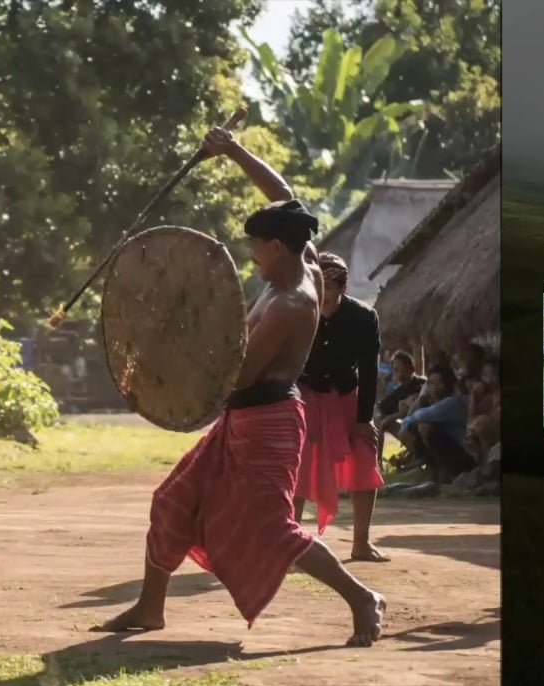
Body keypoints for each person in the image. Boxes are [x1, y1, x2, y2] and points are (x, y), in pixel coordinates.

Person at [93, 128, 385, 647]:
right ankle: (149, 607)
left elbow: (236, 376)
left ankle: (363, 597)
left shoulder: (291, 303)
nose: (250, 255)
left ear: (276, 246)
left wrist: (177, 345)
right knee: (172, 501)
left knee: (275, 530)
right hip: (244, 418)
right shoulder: (305, 264)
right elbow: (284, 197)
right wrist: (233, 151)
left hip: (267, 422)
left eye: (255, 246)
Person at [292, 251, 388, 562]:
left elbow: (369, 371)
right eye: (317, 287)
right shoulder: (299, 311)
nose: (322, 296)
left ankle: (361, 543)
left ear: (341, 289)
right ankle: (288, 542)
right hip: (304, 396)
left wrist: (364, 419)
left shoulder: (363, 318)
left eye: (328, 289)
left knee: (364, 458)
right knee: (298, 468)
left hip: (347, 397)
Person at [394, 364, 475, 485]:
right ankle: (434, 470)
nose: (434, 388)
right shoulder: (432, 401)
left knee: (424, 427)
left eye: (439, 383)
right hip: (451, 451)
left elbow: (419, 416)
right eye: (431, 383)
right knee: (415, 429)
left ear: (449, 384)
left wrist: (408, 418)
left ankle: (445, 472)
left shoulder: (453, 402)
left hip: (465, 456)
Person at [375, 350, 425, 465]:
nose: (399, 373)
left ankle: (418, 456)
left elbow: (411, 409)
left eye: (402, 369)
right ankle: (378, 461)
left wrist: (391, 417)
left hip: (423, 429)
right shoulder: (400, 391)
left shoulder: (420, 384)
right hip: (411, 429)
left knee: (388, 422)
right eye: (396, 370)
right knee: (381, 420)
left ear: (411, 368)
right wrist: (381, 417)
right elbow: (381, 406)